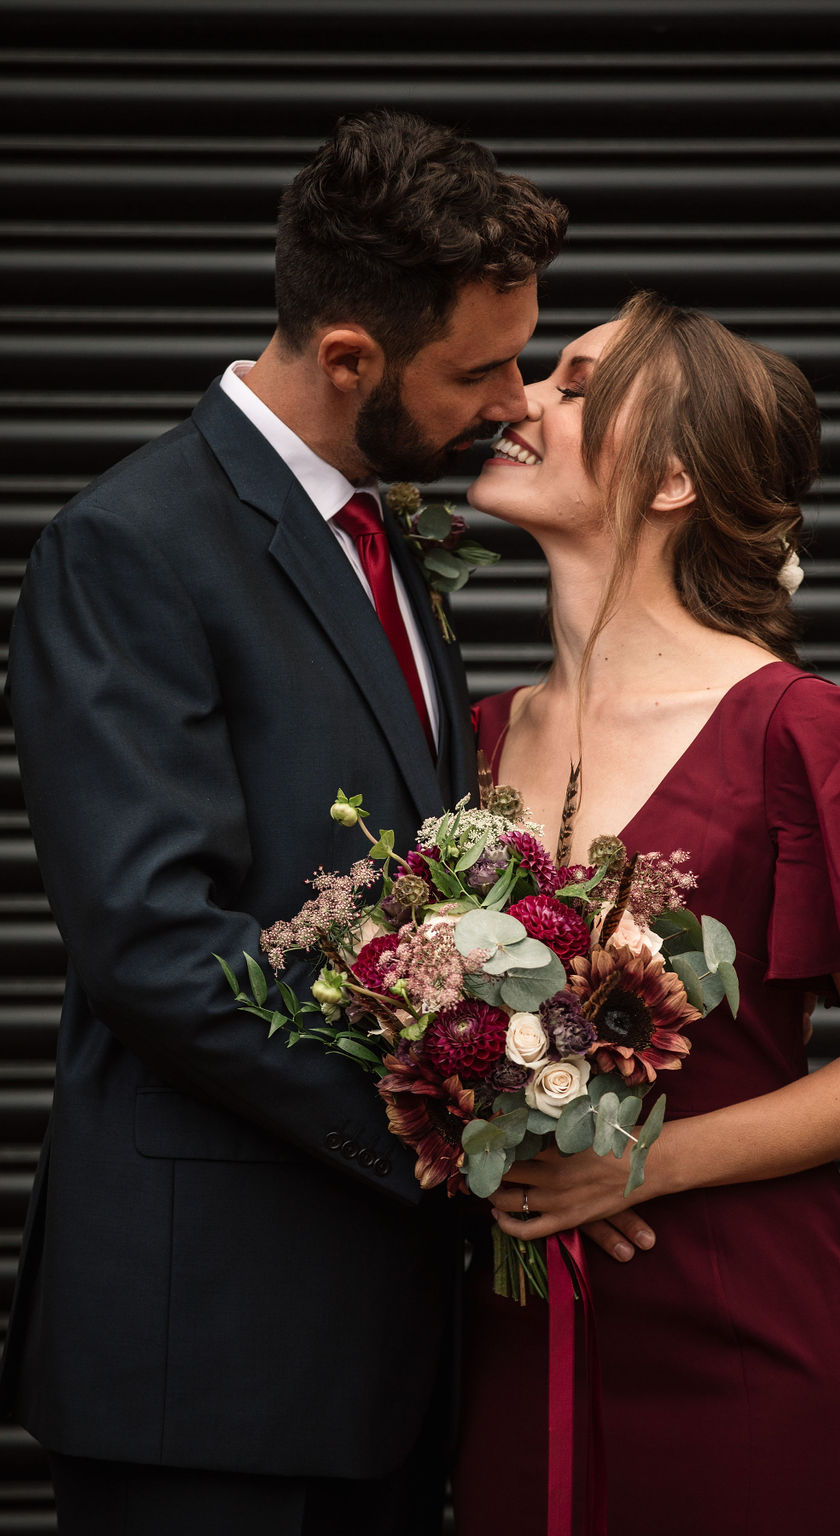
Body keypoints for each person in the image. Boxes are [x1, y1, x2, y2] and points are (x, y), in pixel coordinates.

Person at [0, 109, 571, 1536]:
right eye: (481, 368)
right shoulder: (131, 544)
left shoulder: (381, 532)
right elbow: (151, 941)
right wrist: (450, 1135)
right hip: (210, 1351)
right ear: (349, 360)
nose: (514, 401)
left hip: (378, 1355)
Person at [454, 291, 840, 1536]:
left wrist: (635, 1165)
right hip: (504, 1334)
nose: (518, 398)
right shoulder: (473, 735)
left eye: (573, 385)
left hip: (738, 1328)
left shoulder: (799, 730)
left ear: (668, 479)